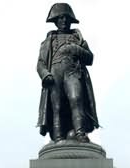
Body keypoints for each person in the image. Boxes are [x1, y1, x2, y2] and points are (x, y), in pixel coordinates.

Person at [37, 3, 99, 143]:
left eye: (66, 18)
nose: (64, 21)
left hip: (73, 71)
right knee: (56, 106)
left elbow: (89, 58)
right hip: (55, 72)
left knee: (76, 99)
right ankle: (58, 136)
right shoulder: (48, 41)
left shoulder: (78, 38)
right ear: (55, 20)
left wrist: (75, 49)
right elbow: (40, 63)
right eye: (60, 18)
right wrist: (45, 74)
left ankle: (80, 132)